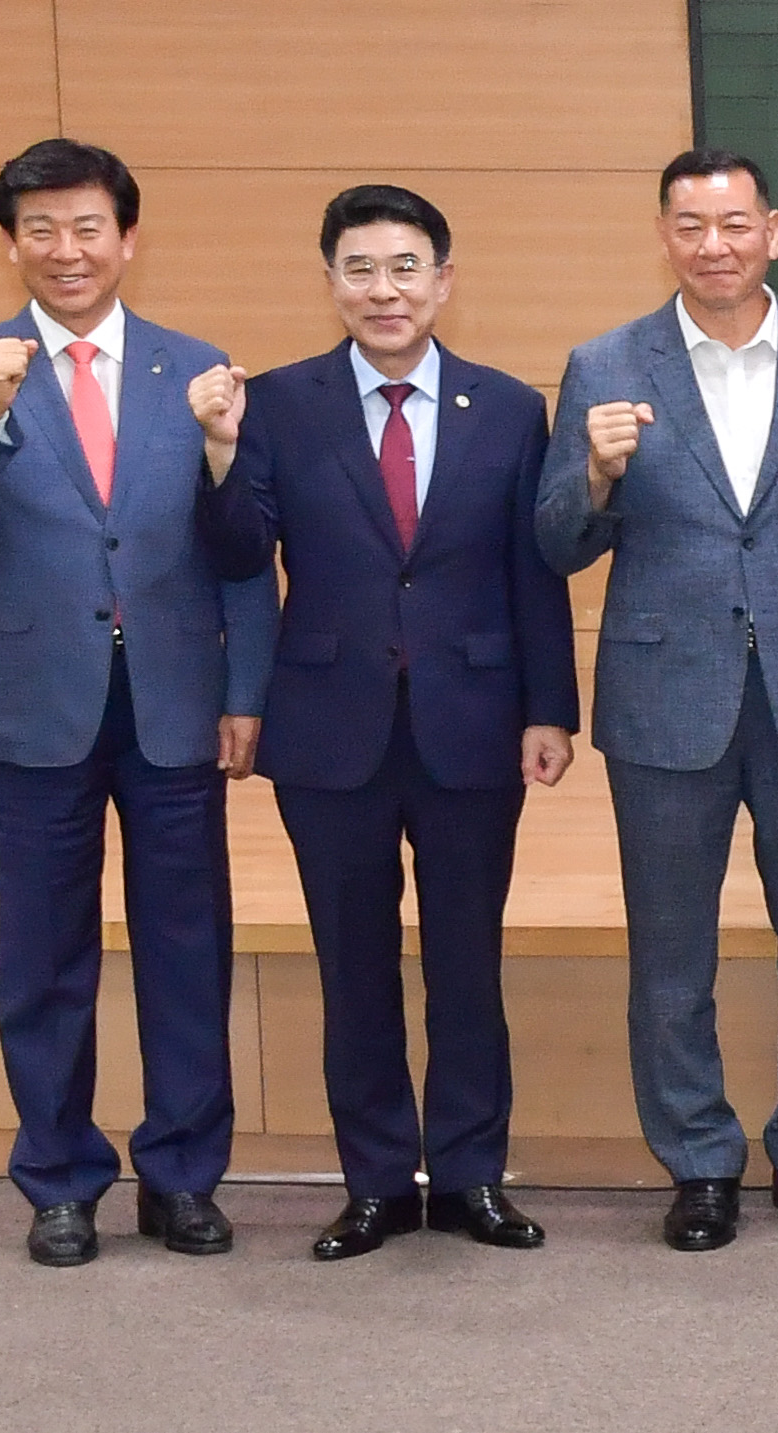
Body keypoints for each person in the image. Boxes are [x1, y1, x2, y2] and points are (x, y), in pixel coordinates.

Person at [0, 138, 275, 1268]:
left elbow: (243, 552)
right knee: (43, 954)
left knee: (187, 949)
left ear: (128, 237)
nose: (67, 250)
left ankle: (183, 1176)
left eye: (88, 227)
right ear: (11, 242)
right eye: (42, 230)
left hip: (174, 703)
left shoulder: (196, 367)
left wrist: (245, 689)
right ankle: (59, 1179)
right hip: (35, 707)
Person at [539, 148, 778, 1253]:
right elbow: (554, 541)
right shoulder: (606, 363)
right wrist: (596, 474)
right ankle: (699, 1160)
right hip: (665, 695)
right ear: (664, 235)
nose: (716, 245)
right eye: (692, 225)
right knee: (671, 949)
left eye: (736, 223)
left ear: (773, 232)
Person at [191, 185, 579, 1260]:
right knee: (351, 966)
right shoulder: (276, 404)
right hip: (328, 728)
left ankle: (469, 1176)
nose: (384, 289)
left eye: (405, 266)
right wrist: (218, 454)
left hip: (474, 722)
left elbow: (533, 573)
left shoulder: (509, 408)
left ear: (444, 281)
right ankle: (373, 1183)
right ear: (330, 283)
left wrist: (550, 707)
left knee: (468, 964)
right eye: (359, 268)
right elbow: (237, 554)